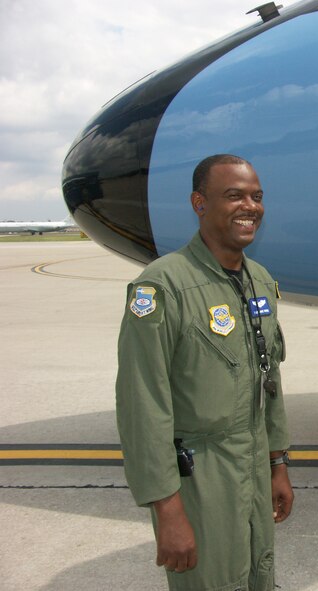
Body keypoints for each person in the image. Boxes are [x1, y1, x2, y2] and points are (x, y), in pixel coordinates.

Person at [115, 154, 293, 591]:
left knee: (259, 577)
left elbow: (269, 382)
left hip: (253, 468)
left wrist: (277, 463)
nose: (250, 206)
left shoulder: (260, 281)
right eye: (234, 196)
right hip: (200, 479)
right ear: (199, 203)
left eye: (256, 196)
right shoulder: (163, 286)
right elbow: (143, 403)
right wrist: (168, 511)